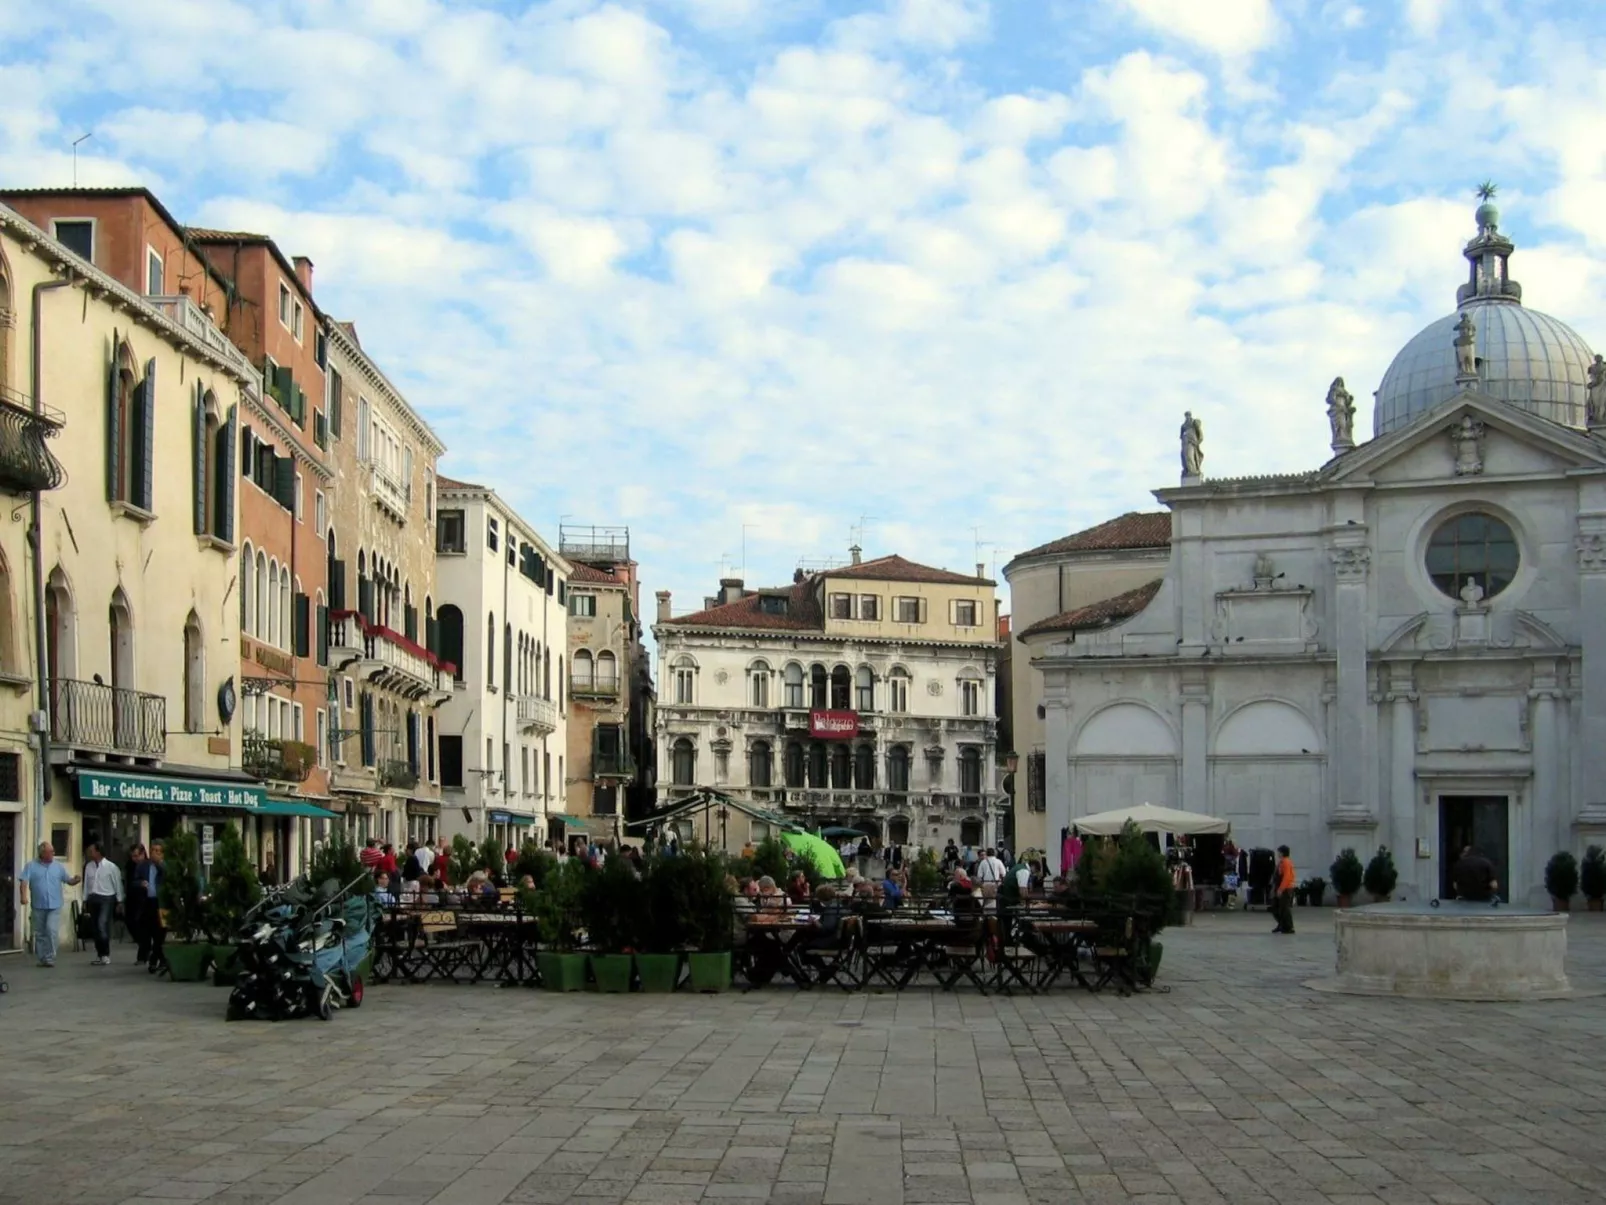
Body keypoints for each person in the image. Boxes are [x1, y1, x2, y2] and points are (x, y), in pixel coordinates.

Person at [18, 842, 80, 967]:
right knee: (40, 933)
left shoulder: (58, 867)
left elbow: (68, 880)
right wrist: (23, 896)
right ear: (42, 853)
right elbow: (24, 882)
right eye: (50, 852)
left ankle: (50, 957)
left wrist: (76, 880)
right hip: (38, 905)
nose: (53, 853)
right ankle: (43, 958)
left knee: (51, 930)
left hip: (55, 905)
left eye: (53, 851)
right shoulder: (31, 866)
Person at [81, 843, 124, 966]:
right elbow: (86, 885)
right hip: (93, 898)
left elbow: (117, 884)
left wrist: (119, 900)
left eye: (92, 851)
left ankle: (106, 954)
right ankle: (100, 954)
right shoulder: (89, 866)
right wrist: (85, 900)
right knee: (95, 927)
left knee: (102, 924)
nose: (89, 853)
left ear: (98, 852)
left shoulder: (111, 867)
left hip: (106, 898)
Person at [142, 842, 167, 972]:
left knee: (161, 933)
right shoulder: (145, 865)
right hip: (149, 902)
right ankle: (160, 959)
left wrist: (160, 864)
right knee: (152, 932)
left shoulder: (165, 866)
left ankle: (155, 959)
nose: (155, 853)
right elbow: (134, 879)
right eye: (153, 850)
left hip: (162, 903)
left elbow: (168, 877)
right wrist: (140, 883)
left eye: (158, 851)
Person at [124, 844, 149, 962]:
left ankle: (143, 953)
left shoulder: (148, 865)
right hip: (132, 899)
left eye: (137, 856)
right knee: (131, 923)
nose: (135, 859)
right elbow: (128, 883)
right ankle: (144, 948)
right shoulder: (130, 866)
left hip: (145, 900)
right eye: (133, 856)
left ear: (143, 854)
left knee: (143, 926)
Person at [1273, 845, 1296, 934]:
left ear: (1282, 853)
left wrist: (1281, 889)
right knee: (1276, 907)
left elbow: (1286, 877)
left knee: (1284, 908)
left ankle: (1289, 927)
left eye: (1278, 852)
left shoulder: (1286, 862)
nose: (1277, 853)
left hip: (1286, 888)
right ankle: (1282, 924)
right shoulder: (1281, 862)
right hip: (1280, 887)